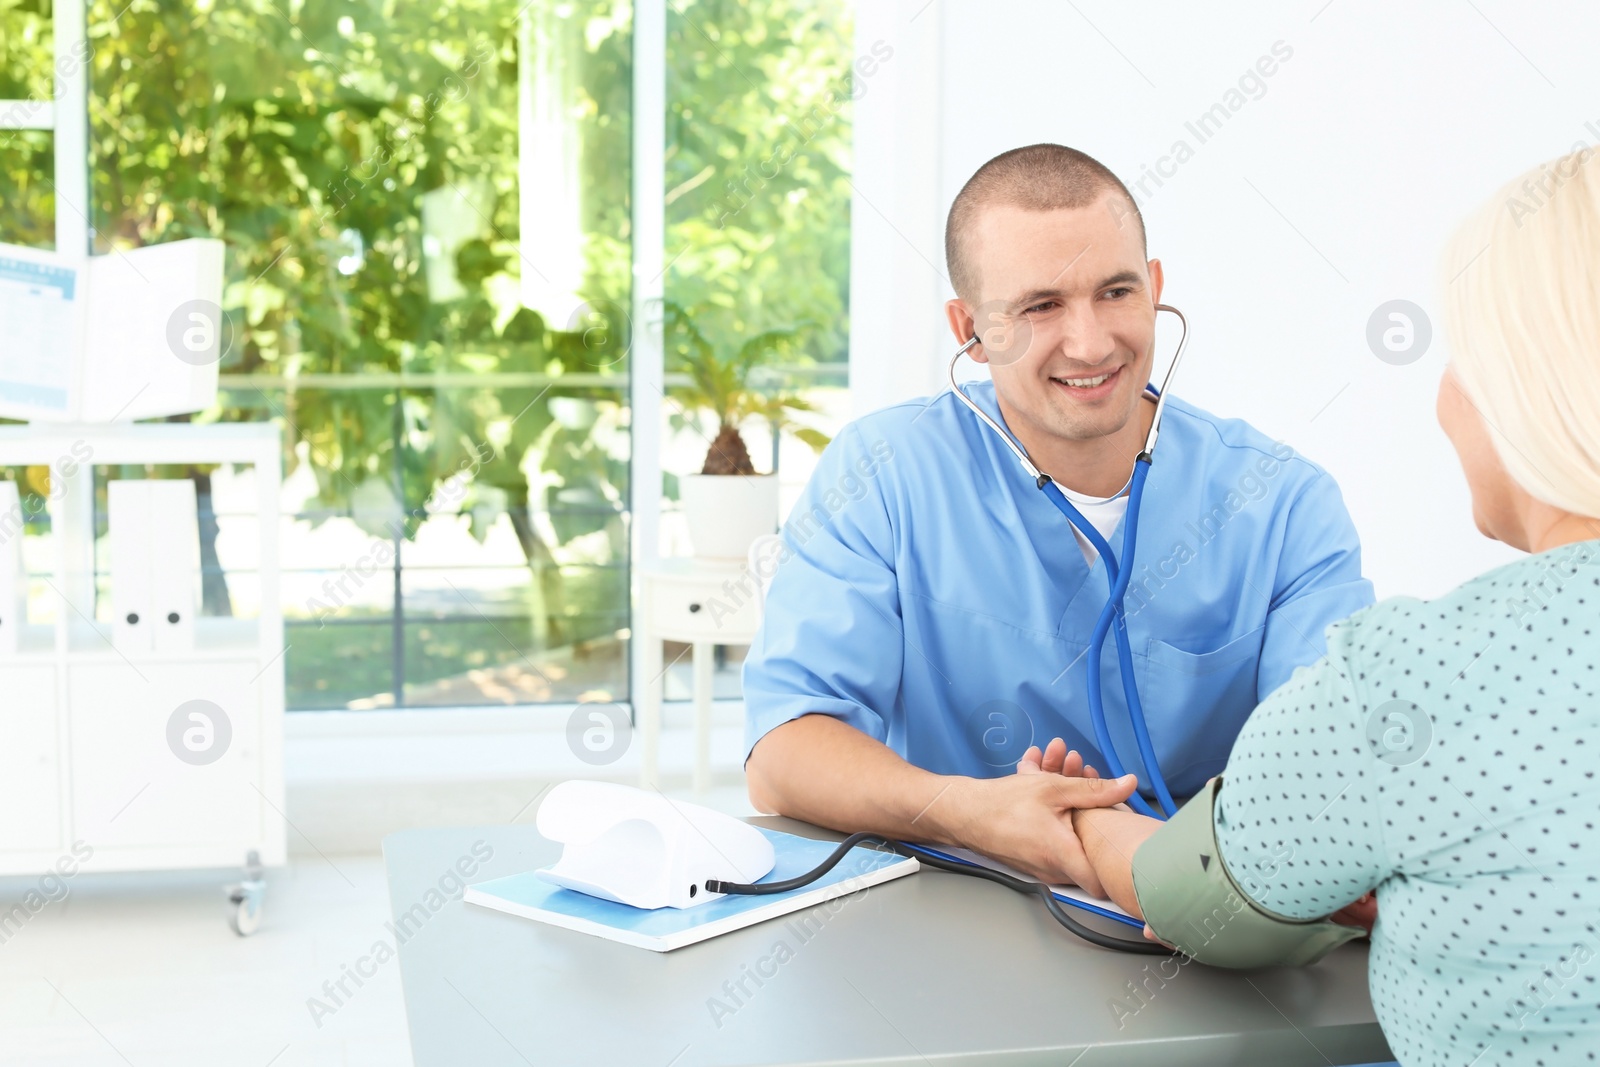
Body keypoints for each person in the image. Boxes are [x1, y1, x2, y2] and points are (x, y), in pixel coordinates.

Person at [1066, 147, 1600, 1066]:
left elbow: (1195, 895)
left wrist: (1075, 816)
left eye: (1463, 357)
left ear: (1531, 388)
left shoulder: (1419, 668)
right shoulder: (893, 473)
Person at [741, 143, 1375, 895]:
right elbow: (784, 752)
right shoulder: (884, 474)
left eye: (1115, 291)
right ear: (969, 328)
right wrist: (969, 811)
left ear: (1155, 287)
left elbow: (1335, 774)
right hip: (964, 923)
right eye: (1041, 306)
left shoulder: (1284, 503)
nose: (1091, 342)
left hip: (1219, 927)